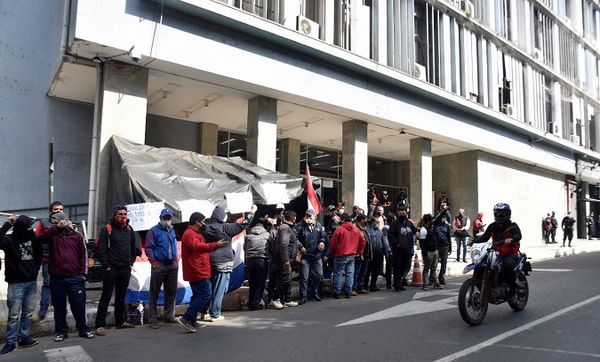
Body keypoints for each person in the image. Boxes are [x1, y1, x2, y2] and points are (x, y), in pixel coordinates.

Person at [42, 212, 94, 341]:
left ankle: (83, 329)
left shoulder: (76, 236)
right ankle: (61, 331)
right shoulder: (52, 235)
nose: (54, 225)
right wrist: (56, 229)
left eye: (57, 222)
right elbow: (41, 239)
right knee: (59, 307)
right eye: (52, 223)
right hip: (57, 277)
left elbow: (84, 255)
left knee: (78, 305)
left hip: (75, 277)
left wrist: (83, 274)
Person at [178, 212, 229, 333]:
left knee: (197, 295)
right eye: (203, 221)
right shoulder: (190, 234)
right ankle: (186, 318)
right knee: (206, 294)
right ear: (197, 222)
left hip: (198, 269)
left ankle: (192, 319)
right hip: (196, 270)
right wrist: (215, 245)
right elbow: (198, 247)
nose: (204, 224)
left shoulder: (194, 233)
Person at [95, 206, 141, 336]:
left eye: (125, 213)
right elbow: (101, 250)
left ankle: (120, 321)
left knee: (121, 296)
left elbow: (133, 248)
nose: (123, 216)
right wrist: (107, 266)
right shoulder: (107, 229)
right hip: (111, 269)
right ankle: (100, 324)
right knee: (106, 296)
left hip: (125, 268)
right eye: (120, 214)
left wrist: (130, 263)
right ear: (115, 215)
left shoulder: (129, 229)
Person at [202, 205, 253, 321]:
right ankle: (215, 313)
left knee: (209, 288)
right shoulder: (225, 228)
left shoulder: (205, 228)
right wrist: (252, 212)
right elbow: (244, 224)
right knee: (220, 289)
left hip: (209, 262)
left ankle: (203, 311)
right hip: (223, 263)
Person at [0, 215, 42, 354]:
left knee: (28, 313)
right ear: (19, 227)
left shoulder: (32, 237)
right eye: (27, 227)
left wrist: (34, 270)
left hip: (31, 281)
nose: (29, 229)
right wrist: (7, 224)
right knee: (13, 315)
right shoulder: (9, 240)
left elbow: (39, 254)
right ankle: (11, 342)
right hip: (16, 283)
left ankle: (23, 337)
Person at [473, 203, 522, 299]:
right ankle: (486, 287)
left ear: (508, 214)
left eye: (501, 214)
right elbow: (485, 237)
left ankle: (512, 290)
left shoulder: (513, 226)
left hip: (510, 253)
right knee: (482, 265)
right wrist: (475, 241)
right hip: (495, 252)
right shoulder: (492, 226)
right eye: (497, 213)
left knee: (507, 265)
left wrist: (512, 239)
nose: (499, 216)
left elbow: (518, 236)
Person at [145, 208, 179, 329]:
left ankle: (169, 315)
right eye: (165, 218)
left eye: (169, 218)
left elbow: (174, 244)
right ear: (160, 218)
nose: (167, 220)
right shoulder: (153, 231)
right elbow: (148, 248)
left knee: (171, 292)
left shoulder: (172, 230)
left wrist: (176, 259)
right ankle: (152, 319)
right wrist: (154, 262)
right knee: (154, 293)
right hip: (159, 265)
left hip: (172, 265)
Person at [33, 201, 64, 321]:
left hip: (62, 259)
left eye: (61, 209)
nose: (58, 211)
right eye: (56, 209)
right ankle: (43, 310)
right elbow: (36, 238)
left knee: (62, 284)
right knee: (47, 284)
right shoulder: (43, 223)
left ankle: (60, 308)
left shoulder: (67, 223)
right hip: (48, 258)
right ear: (51, 211)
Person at [267, 210, 300, 308]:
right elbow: (283, 244)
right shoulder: (285, 228)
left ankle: (287, 300)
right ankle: (275, 298)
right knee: (284, 280)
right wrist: (285, 259)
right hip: (283, 260)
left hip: (283, 259)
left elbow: (292, 242)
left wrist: (300, 247)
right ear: (293, 218)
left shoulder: (287, 228)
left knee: (286, 279)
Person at [329, 213, 366, 299]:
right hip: (352, 255)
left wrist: (333, 253)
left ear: (342, 220)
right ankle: (348, 292)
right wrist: (359, 251)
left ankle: (337, 292)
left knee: (338, 273)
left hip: (340, 254)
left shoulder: (339, 229)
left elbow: (333, 244)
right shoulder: (356, 229)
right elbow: (363, 241)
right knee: (350, 273)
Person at [295, 209, 328, 304]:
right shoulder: (300, 226)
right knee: (304, 278)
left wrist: (322, 242)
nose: (309, 217)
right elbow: (295, 238)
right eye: (307, 215)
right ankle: (303, 296)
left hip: (316, 256)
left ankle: (315, 292)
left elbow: (323, 236)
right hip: (305, 256)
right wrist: (300, 246)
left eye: (310, 215)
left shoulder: (318, 225)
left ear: (314, 216)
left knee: (318, 275)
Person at [244, 216, 272, 310]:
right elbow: (270, 248)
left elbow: (245, 248)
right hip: (262, 260)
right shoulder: (267, 235)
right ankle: (256, 303)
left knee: (252, 283)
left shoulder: (248, 236)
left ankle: (251, 303)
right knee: (260, 282)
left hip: (250, 261)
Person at [387, 206, 416, 291]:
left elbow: (414, 231)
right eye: (401, 212)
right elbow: (390, 235)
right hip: (398, 250)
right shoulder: (394, 224)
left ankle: (400, 282)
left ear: (406, 213)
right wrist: (397, 243)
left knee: (405, 266)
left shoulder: (409, 223)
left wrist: (419, 231)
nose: (402, 214)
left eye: (404, 212)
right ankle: (397, 285)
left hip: (407, 250)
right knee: (397, 267)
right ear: (398, 213)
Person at [366, 216, 389, 291]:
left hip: (378, 254)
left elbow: (384, 242)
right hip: (369, 253)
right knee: (367, 270)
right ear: (372, 222)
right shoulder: (367, 230)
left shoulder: (380, 231)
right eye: (377, 222)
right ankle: (365, 286)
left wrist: (386, 253)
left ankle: (373, 285)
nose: (378, 224)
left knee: (376, 271)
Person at [418, 214, 440, 290]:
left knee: (434, 268)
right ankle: (425, 284)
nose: (432, 221)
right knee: (427, 268)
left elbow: (438, 218)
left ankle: (436, 283)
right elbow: (422, 243)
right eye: (431, 220)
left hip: (435, 251)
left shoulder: (431, 228)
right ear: (428, 221)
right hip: (428, 252)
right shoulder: (423, 230)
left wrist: (444, 211)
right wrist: (425, 253)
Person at [353, 214, 371, 295]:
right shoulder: (356, 229)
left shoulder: (365, 229)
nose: (366, 221)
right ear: (361, 220)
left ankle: (361, 287)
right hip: (359, 254)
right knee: (356, 272)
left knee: (363, 272)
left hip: (366, 254)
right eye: (364, 219)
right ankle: (354, 288)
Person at [432, 213, 451, 286]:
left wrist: (450, 248)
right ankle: (432, 278)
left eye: (445, 218)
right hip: (437, 247)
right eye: (443, 217)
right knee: (435, 264)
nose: (444, 219)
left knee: (444, 263)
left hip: (445, 246)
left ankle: (441, 277)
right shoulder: (436, 225)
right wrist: (443, 211)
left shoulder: (446, 226)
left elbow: (449, 237)